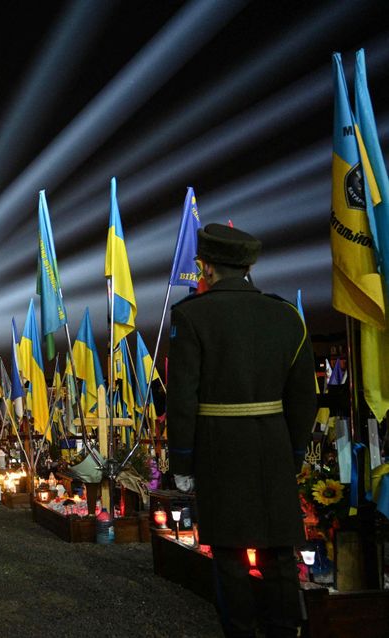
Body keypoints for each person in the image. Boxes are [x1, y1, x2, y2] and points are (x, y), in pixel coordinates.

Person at [167, 224, 316, 638]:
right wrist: (295, 453)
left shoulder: (190, 315)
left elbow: (181, 399)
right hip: (273, 447)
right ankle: (286, 631)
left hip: (219, 448)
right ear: (249, 265)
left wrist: (182, 459)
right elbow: (305, 397)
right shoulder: (287, 316)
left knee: (231, 554)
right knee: (279, 551)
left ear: (206, 267)